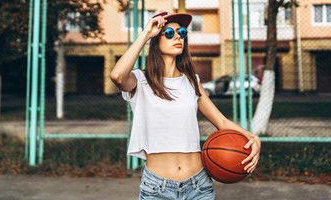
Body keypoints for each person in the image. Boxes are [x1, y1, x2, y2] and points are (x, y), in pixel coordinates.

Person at [110, 12, 261, 200]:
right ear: (155, 40)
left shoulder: (191, 82)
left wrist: (252, 137)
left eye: (181, 32)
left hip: (198, 185)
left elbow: (221, 121)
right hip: (157, 188)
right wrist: (146, 34)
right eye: (169, 33)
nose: (178, 37)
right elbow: (117, 76)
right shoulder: (140, 81)